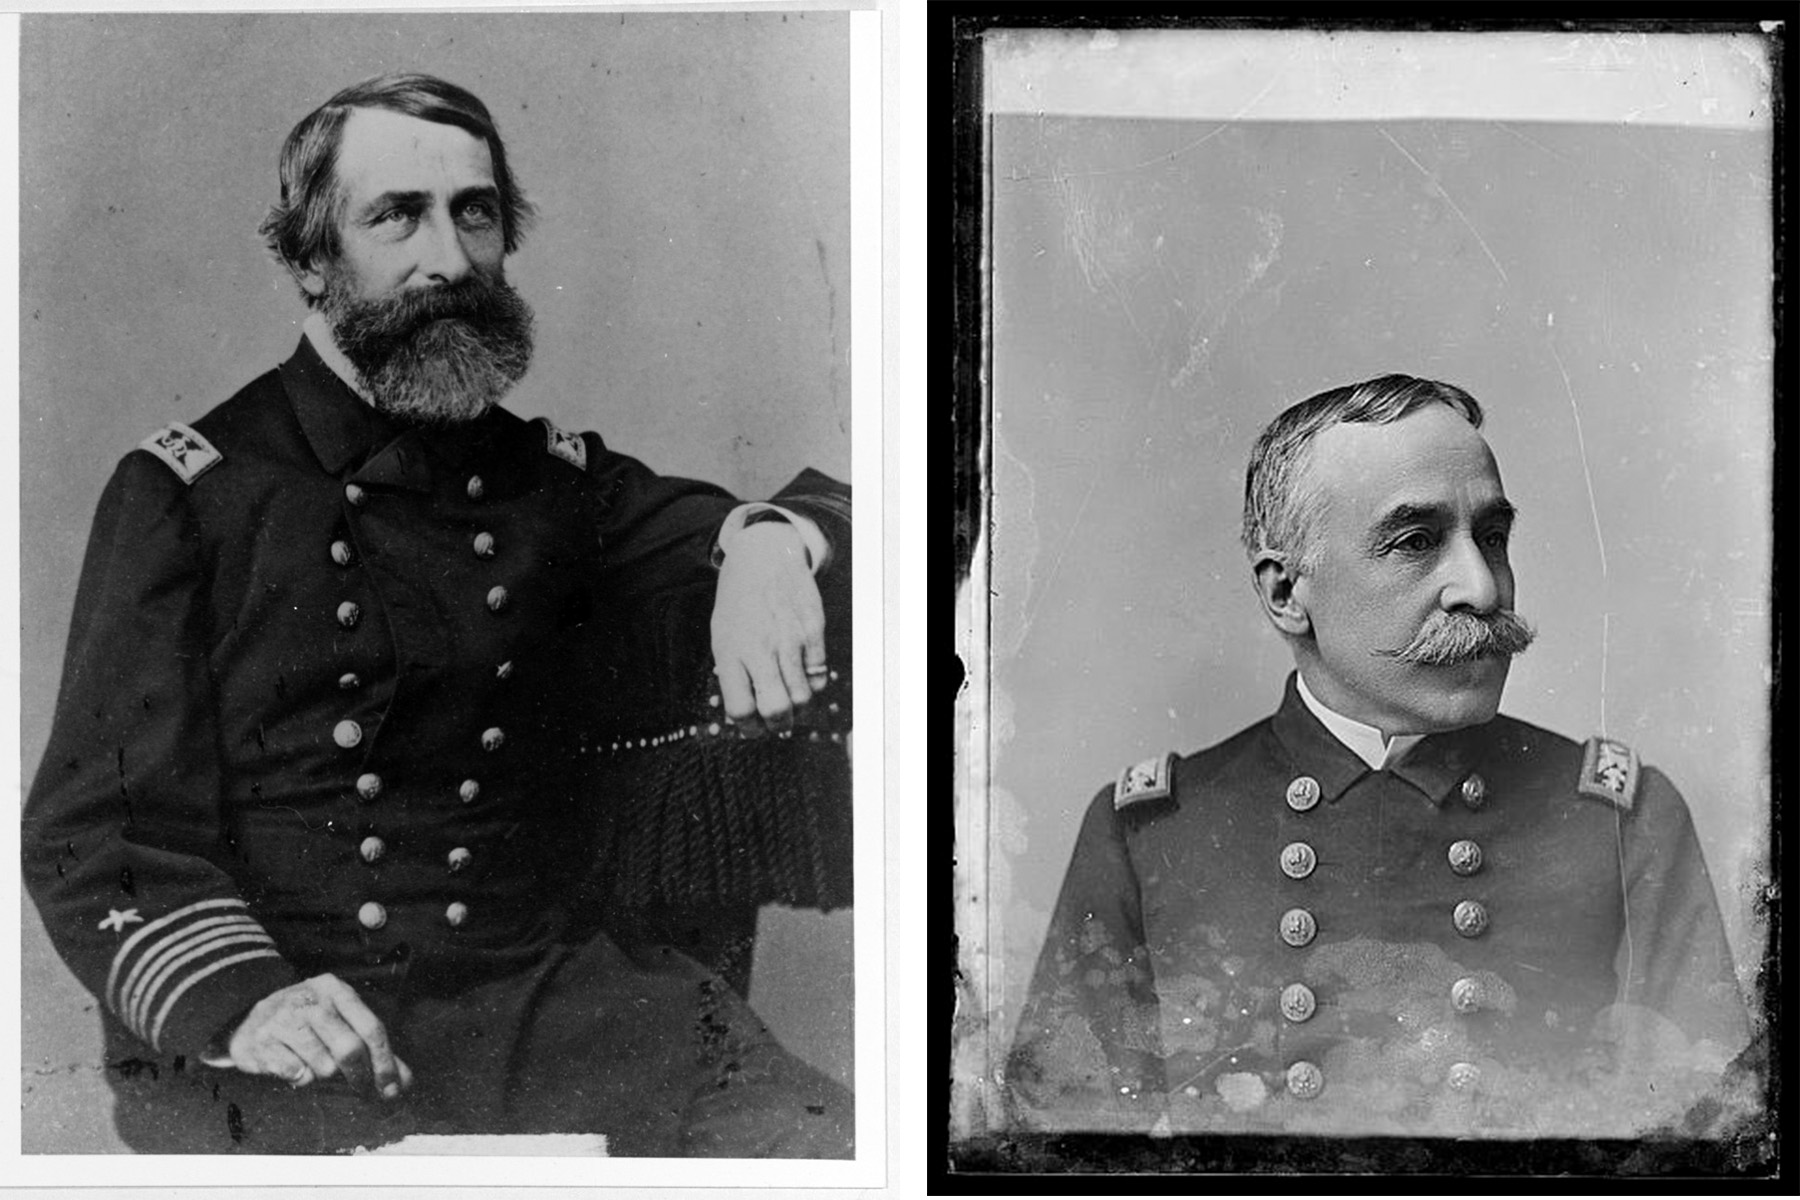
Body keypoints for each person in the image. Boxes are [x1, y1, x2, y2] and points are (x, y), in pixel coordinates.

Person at [22, 73, 852, 1157]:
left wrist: (772, 542)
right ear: (311, 260)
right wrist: (244, 1006)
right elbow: (98, 831)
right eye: (396, 216)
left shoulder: (546, 476)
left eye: (476, 212)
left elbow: (744, 517)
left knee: (822, 1143)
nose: (450, 263)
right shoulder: (191, 494)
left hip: (550, 996)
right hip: (304, 1017)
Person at [1004, 375, 1757, 1138]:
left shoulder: (1623, 824)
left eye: (1492, 537)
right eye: (1416, 541)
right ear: (1286, 592)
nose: (1482, 588)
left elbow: (1702, 1147)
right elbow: (1060, 1155)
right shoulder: (1152, 835)